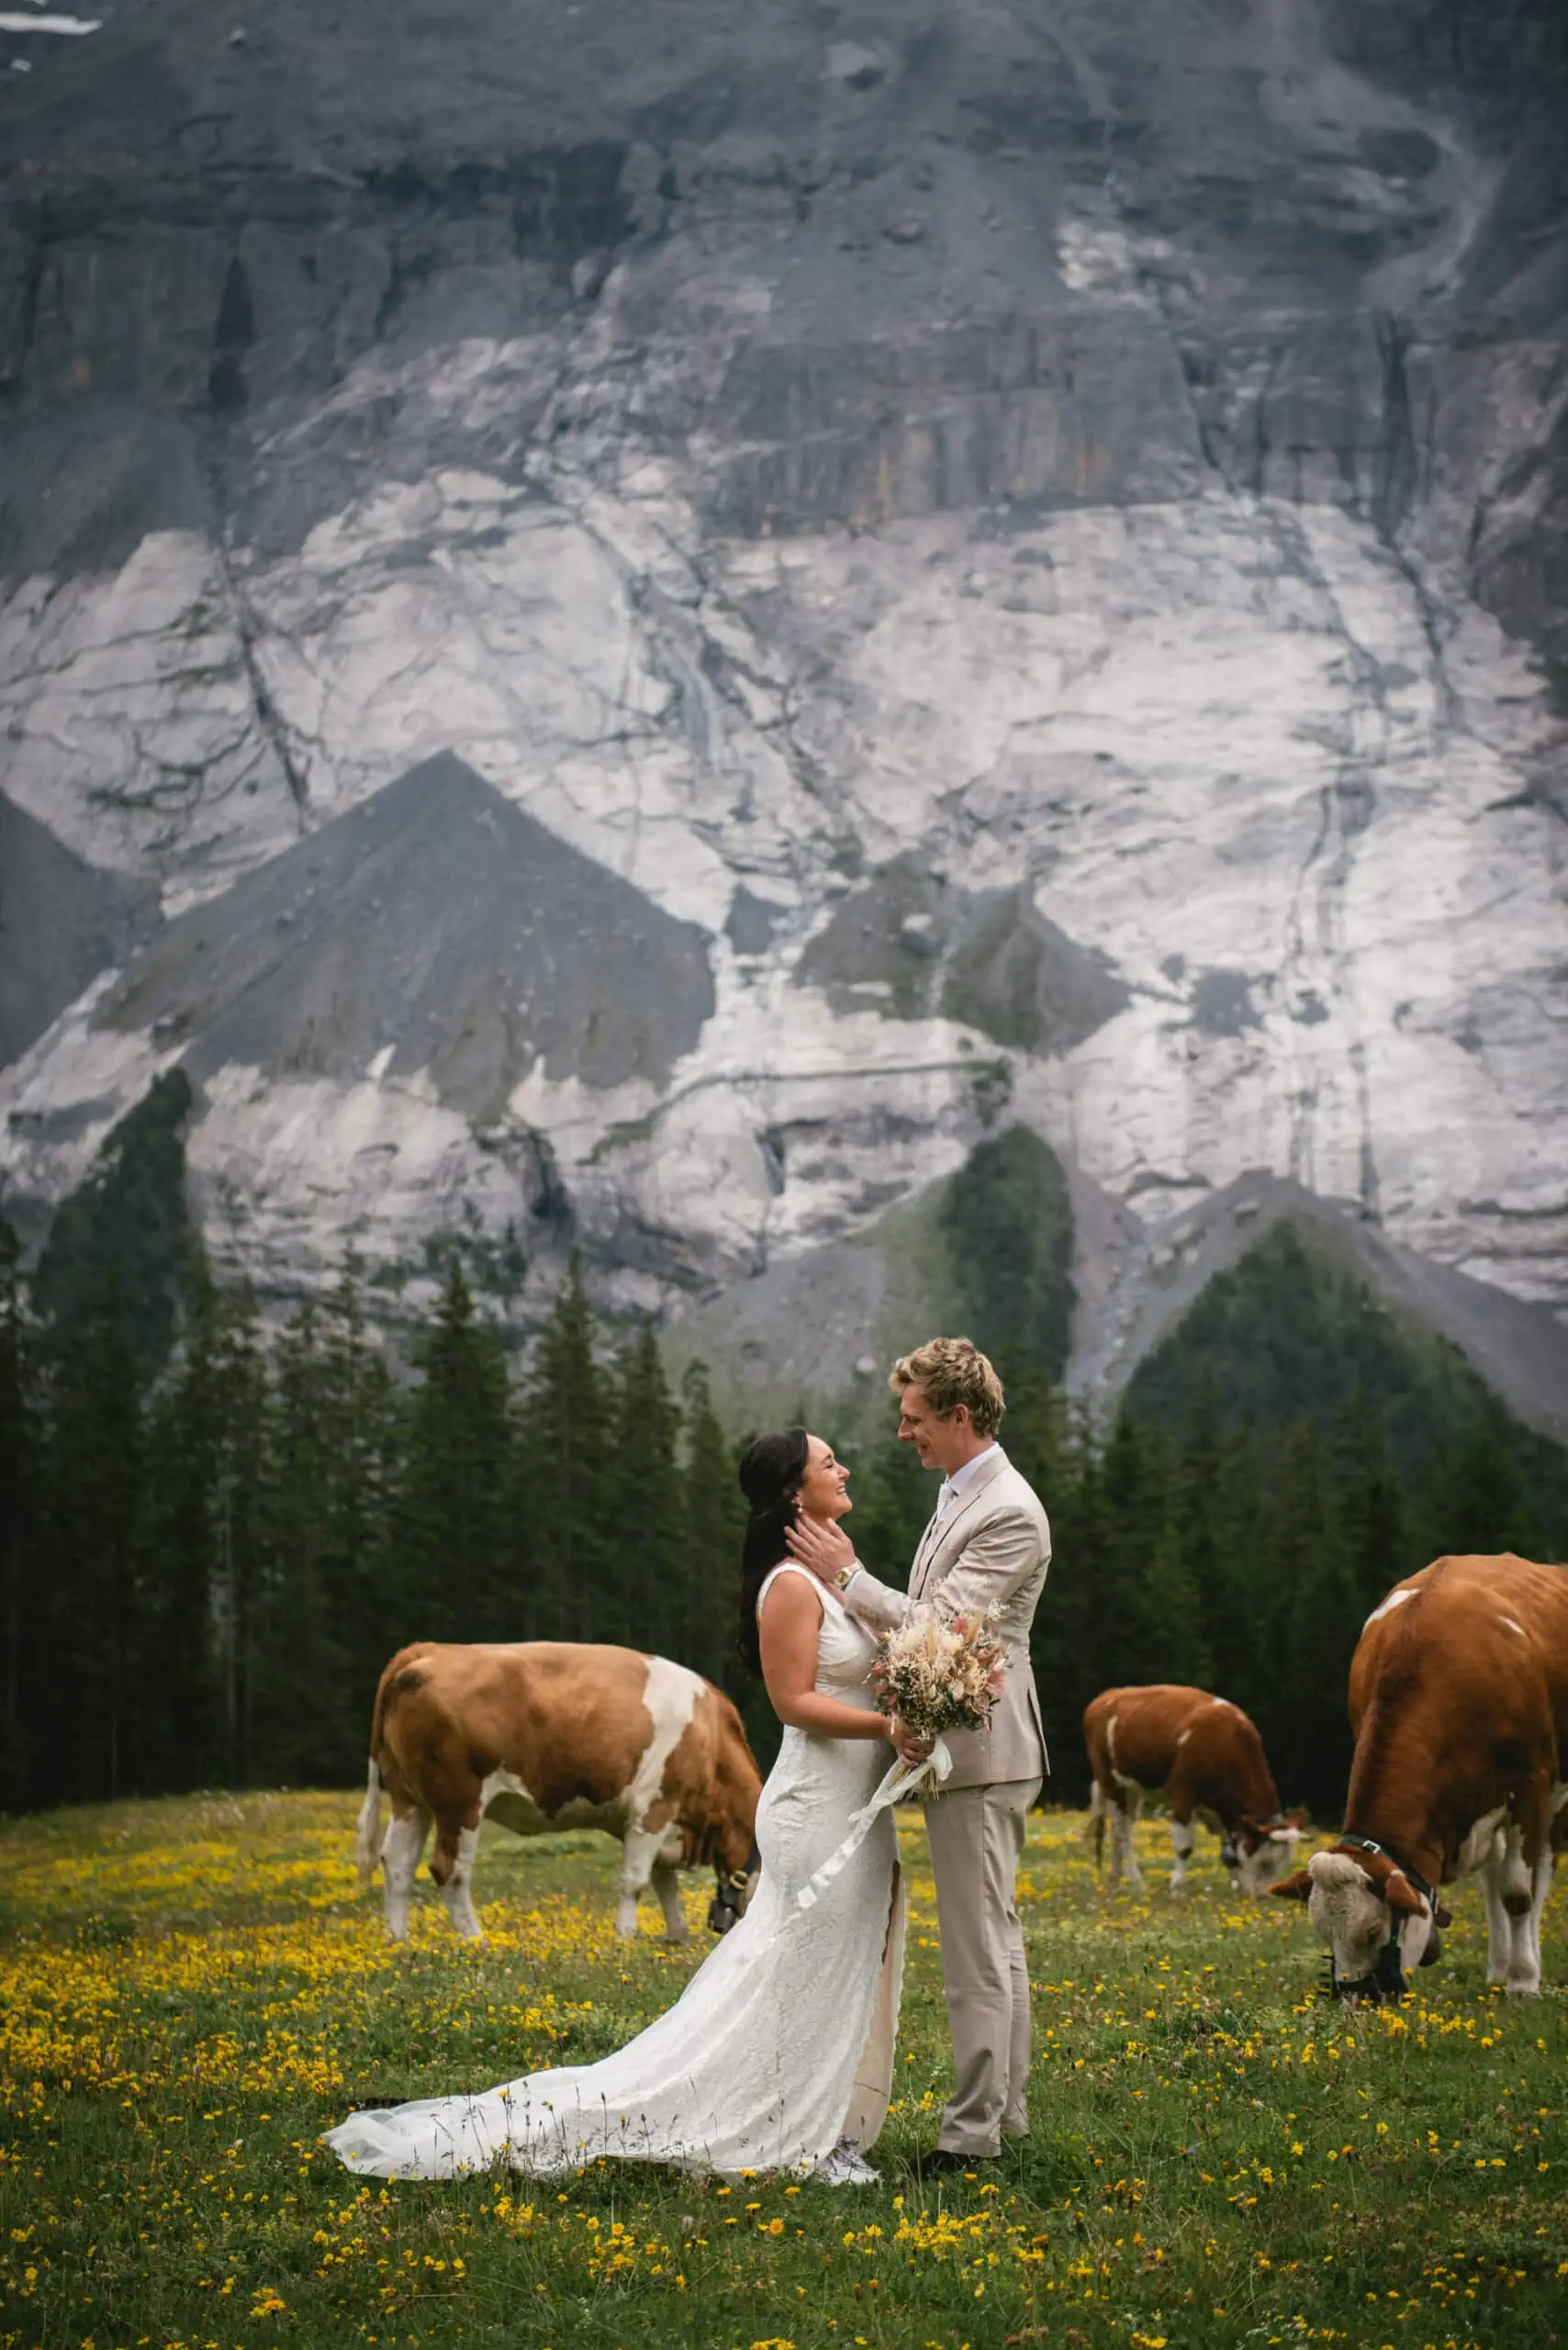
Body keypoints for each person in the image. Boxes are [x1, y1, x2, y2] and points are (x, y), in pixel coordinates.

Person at [322, 1427, 907, 2183]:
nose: (846, 1466)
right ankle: (790, 2132)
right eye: (830, 1462)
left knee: (828, 1968)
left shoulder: (832, 1577)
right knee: (799, 1970)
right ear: (794, 1491)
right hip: (817, 1810)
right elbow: (793, 1703)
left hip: (857, 1811)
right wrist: (888, 1724)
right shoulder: (791, 1585)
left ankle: (811, 2119)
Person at [787, 1336, 1049, 2173]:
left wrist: (849, 1576)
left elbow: (945, 1628)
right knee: (995, 1939)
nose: (903, 1433)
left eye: (915, 1418)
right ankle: (1003, 2119)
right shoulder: (958, 1490)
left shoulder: (1008, 1507)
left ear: (960, 1416)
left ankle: (970, 2139)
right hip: (975, 1751)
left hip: (983, 1752)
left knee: (978, 1949)